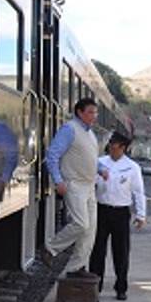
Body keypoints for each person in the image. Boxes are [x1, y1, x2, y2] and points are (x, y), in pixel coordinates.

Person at [40, 98, 107, 277]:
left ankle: (76, 268)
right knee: (81, 224)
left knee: (90, 231)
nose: (94, 116)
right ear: (79, 112)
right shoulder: (69, 129)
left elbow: (91, 158)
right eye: (90, 112)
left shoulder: (90, 134)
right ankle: (50, 248)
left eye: (95, 112)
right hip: (74, 183)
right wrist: (58, 180)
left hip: (89, 185)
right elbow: (52, 155)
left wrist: (101, 169)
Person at [89, 131, 146, 299]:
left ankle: (121, 287)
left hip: (121, 211)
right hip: (102, 209)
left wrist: (141, 214)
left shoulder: (132, 167)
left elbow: (138, 192)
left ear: (123, 147)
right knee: (97, 250)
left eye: (114, 145)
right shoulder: (100, 163)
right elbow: (91, 183)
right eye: (110, 145)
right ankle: (95, 285)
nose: (111, 148)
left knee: (121, 251)